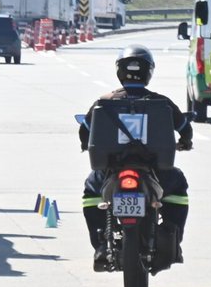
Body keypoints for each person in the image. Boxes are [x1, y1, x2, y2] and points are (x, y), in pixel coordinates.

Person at [78, 45, 193, 272]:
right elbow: (184, 128)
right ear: (148, 72)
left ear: (119, 72)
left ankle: (101, 245)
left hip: (112, 170)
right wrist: (185, 143)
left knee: (92, 190)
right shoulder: (162, 103)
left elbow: (85, 130)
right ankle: (173, 240)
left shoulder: (104, 102)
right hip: (155, 170)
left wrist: (85, 144)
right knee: (178, 186)